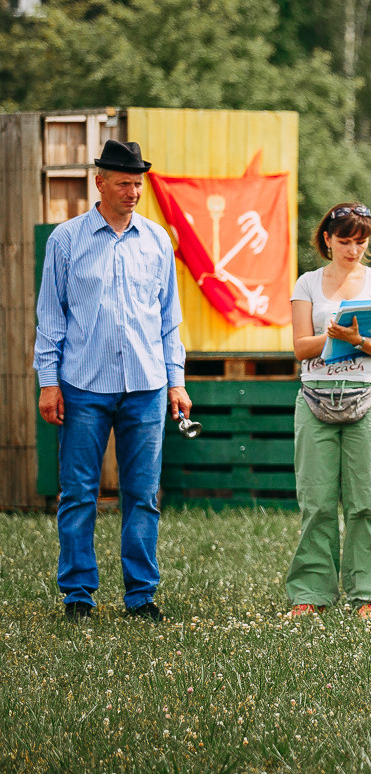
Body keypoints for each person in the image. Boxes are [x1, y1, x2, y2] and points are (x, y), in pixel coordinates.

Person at [34, 139, 192, 622]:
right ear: (99, 181)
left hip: (146, 386)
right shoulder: (65, 241)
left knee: (142, 495)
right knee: (78, 492)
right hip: (83, 385)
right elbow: (50, 318)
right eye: (124, 183)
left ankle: (141, 596)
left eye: (138, 183)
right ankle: (78, 596)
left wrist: (176, 380)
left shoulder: (158, 240)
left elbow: (169, 320)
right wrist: (48, 380)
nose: (133, 192)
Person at [286, 203, 371, 620]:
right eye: (345, 241)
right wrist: (335, 335)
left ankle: (366, 594)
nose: (353, 250)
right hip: (315, 397)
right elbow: (300, 346)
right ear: (328, 239)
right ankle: (310, 593)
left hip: (367, 397)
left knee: (366, 502)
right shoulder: (308, 283)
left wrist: (358, 339)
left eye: (361, 242)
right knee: (316, 501)